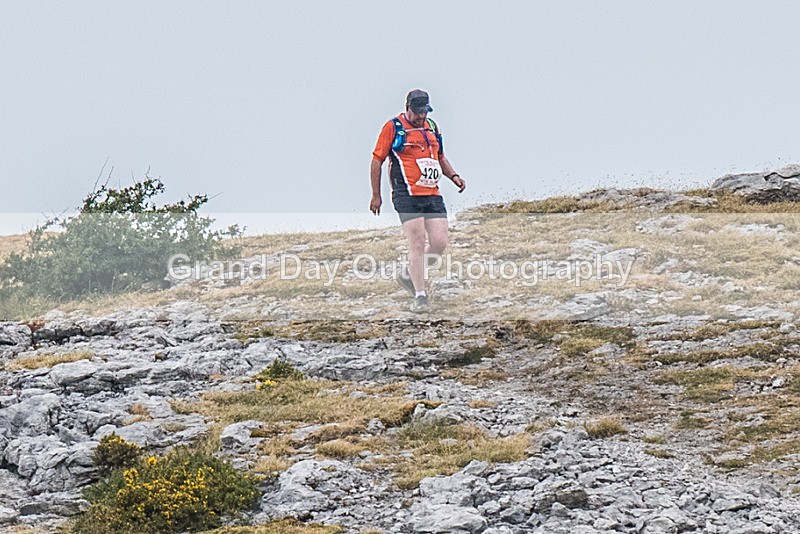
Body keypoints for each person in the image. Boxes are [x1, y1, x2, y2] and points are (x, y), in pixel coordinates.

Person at [370, 89, 466, 312]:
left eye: (424, 112)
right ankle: (420, 295)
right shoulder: (393, 127)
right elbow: (377, 161)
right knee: (417, 241)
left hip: (432, 194)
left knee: (440, 242)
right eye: (417, 112)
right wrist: (376, 195)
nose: (421, 117)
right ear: (407, 108)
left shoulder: (432, 127)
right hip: (406, 194)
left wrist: (454, 176)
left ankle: (408, 275)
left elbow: (440, 156)